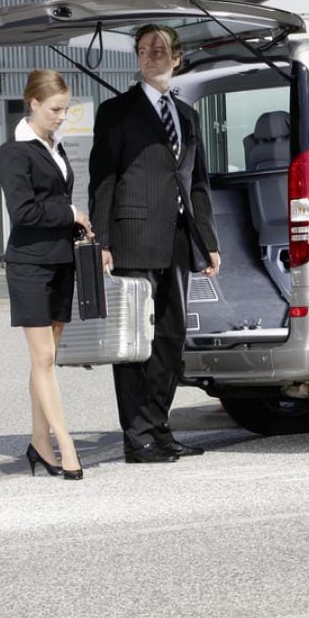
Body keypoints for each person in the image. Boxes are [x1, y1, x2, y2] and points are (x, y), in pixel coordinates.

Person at [90, 24, 221, 464]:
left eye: (160, 50)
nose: (151, 56)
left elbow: (196, 183)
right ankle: (137, 438)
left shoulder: (188, 115)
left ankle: (160, 429)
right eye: (144, 50)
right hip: (131, 238)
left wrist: (209, 241)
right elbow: (103, 181)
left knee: (170, 338)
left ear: (177, 57)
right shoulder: (116, 112)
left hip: (178, 240)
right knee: (135, 342)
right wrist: (102, 241)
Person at [0, 69, 93, 480]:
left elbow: (56, 200)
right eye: (55, 109)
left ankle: (39, 442)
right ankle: (64, 444)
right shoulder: (13, 152)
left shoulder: (55, 147)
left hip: (61, 262)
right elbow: (24, 213)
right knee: (43, 360)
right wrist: (70, 213)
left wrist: (85, 229)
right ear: (33, 103)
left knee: (47, 361)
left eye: (65, 110)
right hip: (29, 264)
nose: (61, 117)